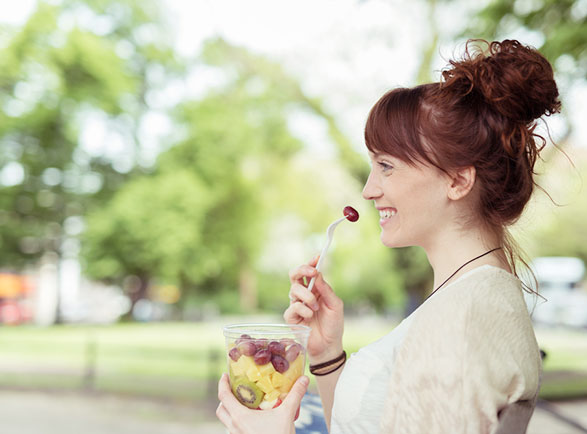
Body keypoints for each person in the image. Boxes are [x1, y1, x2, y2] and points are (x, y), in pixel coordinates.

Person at [217, 38, 560, 434]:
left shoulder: (459, 323)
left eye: (386, 166)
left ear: (458, 180)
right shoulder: (474, 298)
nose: (368, 190)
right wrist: (327, 353)